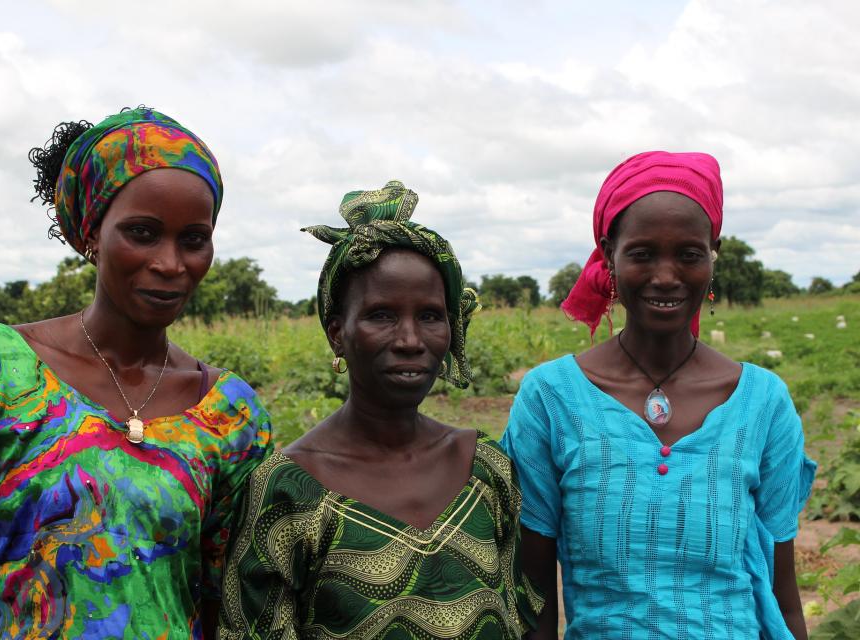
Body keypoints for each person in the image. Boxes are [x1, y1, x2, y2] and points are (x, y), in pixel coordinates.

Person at [0, 107, 271, 639]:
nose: (170, 263)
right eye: (142, 233)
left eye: (193, 239)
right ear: (89, 235)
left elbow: (220, 605)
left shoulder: (229, 413)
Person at [501, 151, 816, 639]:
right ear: (609, 254)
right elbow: (533, 597)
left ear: (713, 252)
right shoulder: (552, 399)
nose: (665, 276)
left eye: (689, 254)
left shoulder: (762, 403)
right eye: (642, 253)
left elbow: (782, 597)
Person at [218, 180, 543, 639]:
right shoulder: (286, 491)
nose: (410, 340)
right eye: (381, 315)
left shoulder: (486, 469)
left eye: (430, 316)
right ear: (337, 332)